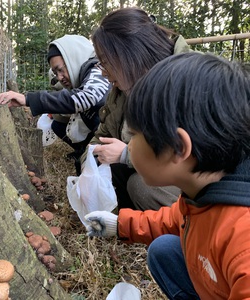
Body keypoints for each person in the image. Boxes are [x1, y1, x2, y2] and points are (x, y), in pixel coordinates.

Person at [85, 52, 250, 299]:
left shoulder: (242, 241)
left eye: (134, 135)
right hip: (215, 283)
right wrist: (118, 224)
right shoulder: (201, 195)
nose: (128, 146)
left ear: (177, 147)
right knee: (163, 249)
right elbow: (172, 220)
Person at [82, 7, 192, 211]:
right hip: (154, 168)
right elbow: (102, 134)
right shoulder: (123, 89)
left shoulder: (188, 81)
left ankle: (183, 226)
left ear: (130, 56)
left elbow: (192, 157)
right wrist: (88, 160)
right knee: (101, 165)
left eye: (106, 63)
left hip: (198, 182)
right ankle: (130, 220)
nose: (104, 73)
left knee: (141, 187)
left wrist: (126, 155)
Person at [0, 35, 111, 173]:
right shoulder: (83, 76)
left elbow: (87, 97)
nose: (59, 78)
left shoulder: (96, 69)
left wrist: (28, 99)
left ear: (73, 58)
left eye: (61, 69)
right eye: (56, 73)